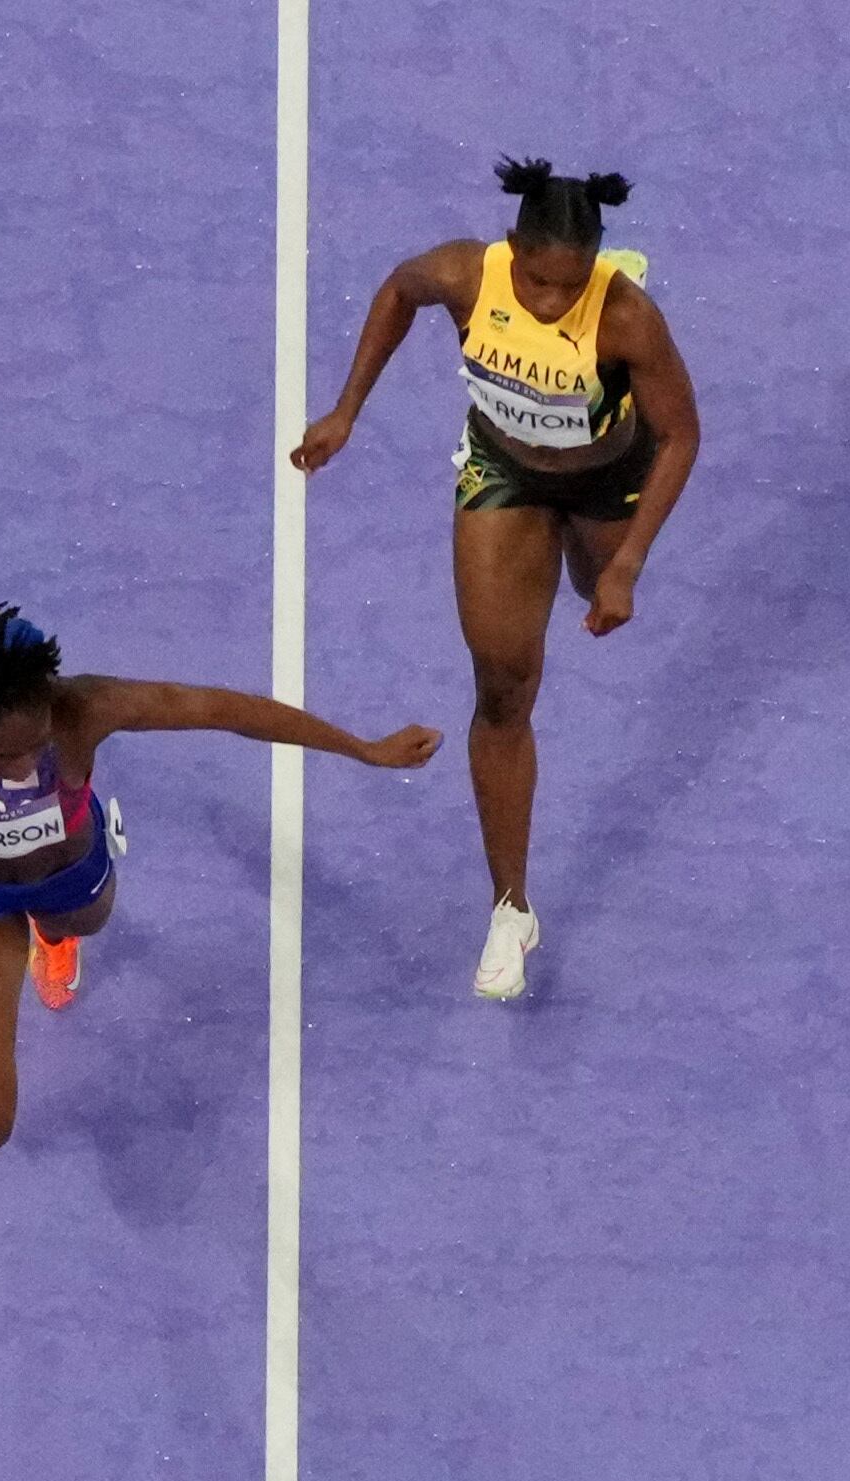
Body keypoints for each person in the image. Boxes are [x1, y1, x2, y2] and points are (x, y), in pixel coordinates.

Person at [0, 595, 439, 1151]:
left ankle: (55, 938)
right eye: (4, 754)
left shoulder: (87, 708)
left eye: (35, 745)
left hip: (67, 881)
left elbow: (225, 711)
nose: (26, 765)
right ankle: (11, 941)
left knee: (77, 921)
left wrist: (362, 748)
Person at [293, 158, 701, 1000]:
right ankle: (511, 907)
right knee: (504, 690)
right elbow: (397, 293)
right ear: (512, 249)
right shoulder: (462, 275)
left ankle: (595, 569)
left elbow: (683, 436)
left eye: (572, 283)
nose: (554, 300)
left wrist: (627, 565)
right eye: (541, 281)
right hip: (503, 474)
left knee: (596, 600)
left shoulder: (628, 321)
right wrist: (345, 411)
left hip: (604, 480)